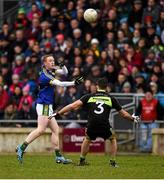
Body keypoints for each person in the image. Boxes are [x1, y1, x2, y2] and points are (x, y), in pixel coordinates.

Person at [49, 78, 140, 167]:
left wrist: (58, 113)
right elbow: (123, 114)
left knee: (87, 139)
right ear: (106, 87)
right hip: (104, 125)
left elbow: (73, 106)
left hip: (91, 124)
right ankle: (112, 162)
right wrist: (132, 118)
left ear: (97, 86)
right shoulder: (111, 98)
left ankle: (82, 160)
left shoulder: (89, 97)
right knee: (112, 139)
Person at [16, 54, 83, 164]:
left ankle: (58, 156)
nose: (53, 62)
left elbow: (65, 72)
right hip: (44, 105)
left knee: (55, 130)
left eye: (53, 60)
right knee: (40, 130)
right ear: (45, 63)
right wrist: (74, 83)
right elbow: (60, 84)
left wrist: (63, 65)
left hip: (47, 105)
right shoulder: (45, 76)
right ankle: (21, 148)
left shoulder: (50, 69)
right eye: (50, 61)